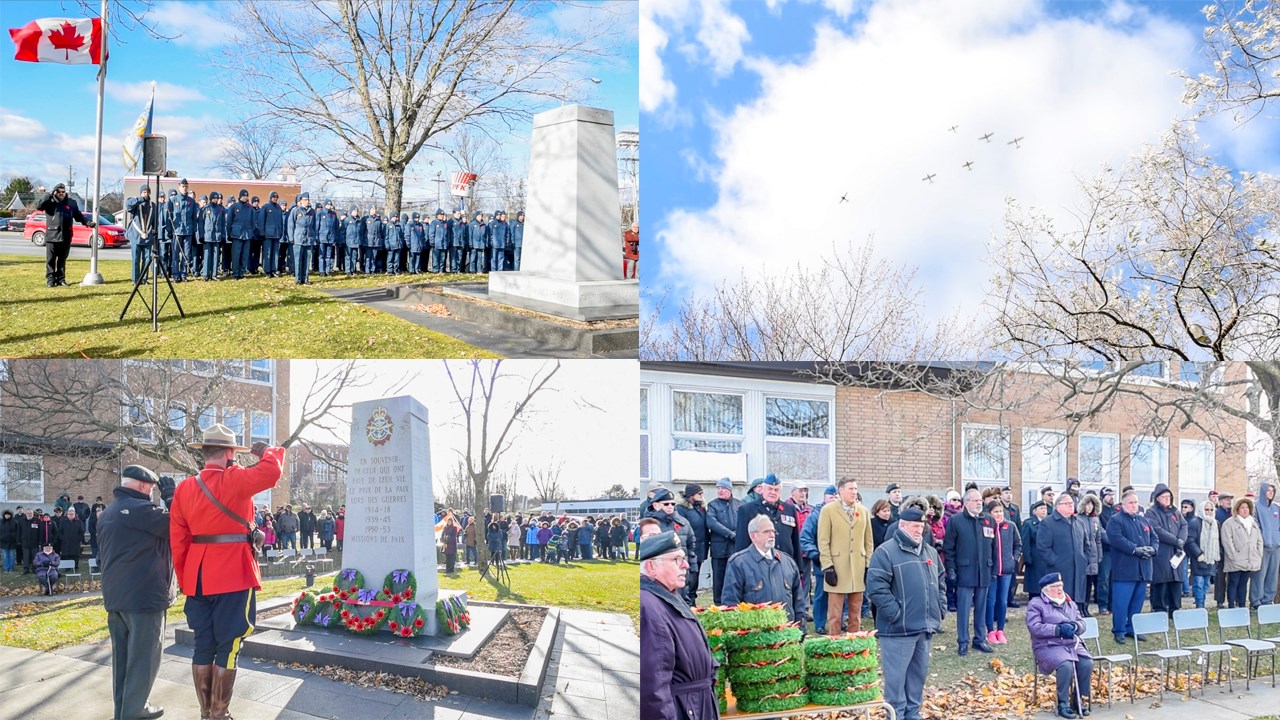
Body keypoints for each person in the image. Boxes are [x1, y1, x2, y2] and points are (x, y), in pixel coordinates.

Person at [169, 424, 285, 720]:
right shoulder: (235, 479)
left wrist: (185, 580)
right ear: (230, 453)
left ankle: (206, 713)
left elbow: (178, 541)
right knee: (230, 645)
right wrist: (267, 451)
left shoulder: (184, 488)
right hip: (233, 572)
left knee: (203, 645)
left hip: (197, 577)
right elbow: (272, 471)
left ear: (204, 452)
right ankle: (219, 714)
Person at [98, 464, 176, 720]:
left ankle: (123, 710)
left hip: (116, 596)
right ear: (143, 486)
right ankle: (135, 711)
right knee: (144, 658)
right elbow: (178, 526)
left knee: (122, 660)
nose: (152, 493)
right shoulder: (142, 510)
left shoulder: (108, 512)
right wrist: (172, 498)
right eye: (152, 489)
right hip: (144, 596)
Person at [866, 505, 944, 720]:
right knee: (896, 681)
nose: (920, 530)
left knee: (917, 678)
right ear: (902, 526)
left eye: (922, 526)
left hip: (924, 627)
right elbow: (876, 588)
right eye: (915, 526)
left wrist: (940, 608)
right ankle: (896, 716)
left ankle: (912, 714)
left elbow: (941, 582)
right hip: (897, 630)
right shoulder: (885, 552)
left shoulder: (930, 552)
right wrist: (896, 614)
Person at [640, 531, 718, 720]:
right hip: (684, 708)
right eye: (676, 560)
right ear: (651, 567)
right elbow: (653, 686)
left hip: (694, 704)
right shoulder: (650, 606)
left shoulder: (667, 595)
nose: (686, 565)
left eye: (684, 558)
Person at [1026, 572, 1093, 718]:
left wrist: (1075, 627)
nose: (1060, 589)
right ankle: (1063, 703)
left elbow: (1082, 622)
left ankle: (1078, 699)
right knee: (1065, 665)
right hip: (1048, 645)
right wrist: (1057, 629)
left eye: (1061, 585)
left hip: (1071, 643)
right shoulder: (1036, 604)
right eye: (1055, 586)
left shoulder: (1069, 602)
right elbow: (1034, 627)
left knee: (1087, 663)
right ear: (1046, 589)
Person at [723, 514, 808, 621]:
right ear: (753, 536)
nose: (772, 535)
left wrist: (800, 627)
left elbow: (799, 601)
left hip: (787, 628)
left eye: (773, 531)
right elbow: (731, 603)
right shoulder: (738, 563)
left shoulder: (787, 562)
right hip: (755, 629)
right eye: (766, 532)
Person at [817, 477, 872, 634]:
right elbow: (823, 541)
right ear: (841, 491)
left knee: (855, 613)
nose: (854, 492)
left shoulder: (863, 511)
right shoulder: (828, 510)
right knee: (835, 614)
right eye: (851, 489)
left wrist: (868, 565)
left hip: (858, 567)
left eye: (856, 489)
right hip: (837, 567)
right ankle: (834, 641)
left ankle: (853, 642)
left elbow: (868, 541)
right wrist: (827, 566)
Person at [944, 488, 995, 655]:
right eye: (975, 500)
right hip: (965, 572)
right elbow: (949, 548)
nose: (979, 503)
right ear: (966, 503)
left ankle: (980, 639)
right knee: (964, 609)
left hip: (984, 571)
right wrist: (951, 569)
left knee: (981, 608)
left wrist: (993, 568)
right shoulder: (956, 521)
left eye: (980, 500)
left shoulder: (988, 520)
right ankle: (963, 641)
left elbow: (993, 547)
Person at [1105, 490, 1155, 644]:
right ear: (1123, 504)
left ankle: (1132, 628)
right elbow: (1116, 539)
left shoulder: (1143, 520)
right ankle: (1119, 630)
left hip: (1143, 568)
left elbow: (1154, 537)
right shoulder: (1116, 520)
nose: (1134, 505)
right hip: (1125, 570)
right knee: (1121, 603)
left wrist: (1153, 549)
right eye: (1131, 503)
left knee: (1137, 602)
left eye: (1136, 502)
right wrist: (1134, 549)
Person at [1038, 493, 1093, 616]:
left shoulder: (1079, 522)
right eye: (1067, 503)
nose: (1071, 505)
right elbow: (1043, 547)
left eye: (1072, 503)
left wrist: (1084, 559)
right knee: (1060, 605)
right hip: (1059, 571)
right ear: (1058, 506)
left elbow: (1087, 545)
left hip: (1078, 570)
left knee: (1076, 604)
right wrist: (1055, 562)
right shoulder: (1048, 523)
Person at [734, 474, 801, 570]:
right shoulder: (747, 510)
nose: (773, 492)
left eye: (776, 490)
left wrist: (799, 568)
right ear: (762, 489)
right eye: (770, 489)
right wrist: (741, 568)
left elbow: (795, 541)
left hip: (785, 565)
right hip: (757, 566)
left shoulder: (789, 509)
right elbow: (741, 543)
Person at [36, 183, 95, 287]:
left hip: (66, 235)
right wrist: (49, 195)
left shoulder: (71, 203)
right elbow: (39, 206)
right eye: (59, 192)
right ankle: (50, 280)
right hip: (52, 235)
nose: (61, 194)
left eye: (63, 192)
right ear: (55, 192)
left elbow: (78, 216)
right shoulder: (49, 202)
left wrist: (87, 222)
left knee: (62, 260)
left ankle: (61, 279)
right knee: (50, 260)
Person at [645, 488, 698, 602]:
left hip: (681, 572)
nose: (670, 506)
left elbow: (691, 547)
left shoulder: (683, 522)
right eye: (666, 504)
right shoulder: (649, 525)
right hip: (659, 575)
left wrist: (693, 569)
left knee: (683, 603)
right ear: (655, 505)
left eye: (672, 504)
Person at [1146, 484, 1187, 617]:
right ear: (1157, 498)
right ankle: (1159, 611)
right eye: (1164, 496)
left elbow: (1184, 525)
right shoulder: (1151, 513)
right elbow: (1157, 530)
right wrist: (1175, 540)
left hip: (1176, 553)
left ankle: (1175, 611)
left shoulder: (1176, 512)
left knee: (1175, 583)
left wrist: (1181, 540)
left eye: (1168, 496)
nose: (1167, 499)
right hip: (1161, 553)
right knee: (1161, 583)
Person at [985, 499, 1021, 645]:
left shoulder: (1010, 526)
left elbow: (1018, 544)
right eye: (995, 512)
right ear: (990, 513)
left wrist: (1014, 559)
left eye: (1000, 511)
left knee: (1003, 601)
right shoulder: (987, 527)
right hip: (992, 571)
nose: (999, 514)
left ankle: (1000, 629)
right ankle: (990, 630)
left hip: (1006, 570)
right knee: (990, 601)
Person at [1222, 496, 1263, 609]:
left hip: (1249, 559)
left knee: (1243, 584)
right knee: (1233, 583)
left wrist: (1258, 554)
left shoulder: (1253, 523)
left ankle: (1242, 605)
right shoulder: (1229, 523)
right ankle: (1231, 606)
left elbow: (1259, 540)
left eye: (1247, 507)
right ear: (1237, 509)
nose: (1245, 510)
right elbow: (1227, 541)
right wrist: (1233, 555)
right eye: (1242, 507)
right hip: (1235, 560)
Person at [705, 477, 741, 605]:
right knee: (718, 579)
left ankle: (733, 603)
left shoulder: (739, 504)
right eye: (718, 488)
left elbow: (744, 522)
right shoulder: (712, 505)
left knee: (735, 577)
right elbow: (712, 523)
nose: (720, 491)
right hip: (719, 549)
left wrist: (738, 534)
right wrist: (731, 535)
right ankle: (719, 604)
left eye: (723, 488)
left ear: (730, 490)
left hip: (735, 548)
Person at [677, 485, 708, 598]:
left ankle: (692, 599)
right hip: (688, 548)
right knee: (687, 577)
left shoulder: (701, 508)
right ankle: (686, 599)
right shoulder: (681, 509)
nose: (701, 496)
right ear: (691, 495)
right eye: (699, 493)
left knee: (696, 575)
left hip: (700, 547)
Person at [1253, 482, 1280, 609]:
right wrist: (1261, 540)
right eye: (1268, 490)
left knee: (1272, 575)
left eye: (1272, 491)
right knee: (1259, 575)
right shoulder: (1256, 506)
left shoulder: (1276, 508)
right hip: (1262, 546)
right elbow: (1255, 525)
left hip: (1276, 546)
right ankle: (1256, 601)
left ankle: (1268, 600)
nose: (1270, 493)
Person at [1190, 500, 1219, 609]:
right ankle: (1200, 605)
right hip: (1199, 558)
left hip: (1211, 559)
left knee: (1206, 584)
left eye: (1211, 509)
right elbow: (1190, 540)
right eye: (1207, 509)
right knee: (1198, 583)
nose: (1209, 512)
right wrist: (1198, 554)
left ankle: (1202, 602)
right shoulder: (1195, 522)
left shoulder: (1215, 523)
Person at [1078, 493, 1104, 616]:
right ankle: (1079, 607)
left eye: (1092, 505)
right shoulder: (1077, 519)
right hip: (1082, 554)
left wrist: (1099, 555)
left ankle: (1086, 607)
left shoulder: (1095, 520)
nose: (1089, 507)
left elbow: (1098, 539)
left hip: (1093, 556)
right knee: (1081, 584)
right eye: (1087, 504)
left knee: (1089, 583)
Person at [126, 184, 156, 286]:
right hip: (136, 236)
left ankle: (144, 278)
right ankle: (135, 279)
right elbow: (128, 204)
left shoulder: (153, 205)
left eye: (147, 192)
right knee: (136, 259)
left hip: (147, 237)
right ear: (141, 193)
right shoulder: (136, 203)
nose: (146, 194)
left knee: (147, 260)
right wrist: (141, 199)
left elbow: (154, 221)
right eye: (144, 192)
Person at [225, 189, 256, 279]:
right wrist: (229, 233)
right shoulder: (234, 207)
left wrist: (251, 232)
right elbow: (229, 221)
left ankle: (241, 272)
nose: (245, 197)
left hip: (247, 235)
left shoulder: (250, 208)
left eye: (246, 196)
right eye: (244, 196)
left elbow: (253, 222)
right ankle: (235, 273)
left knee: (245, 255)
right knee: (236, 255)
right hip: (237, 234)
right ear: (240, 196)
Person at [1095, 487, 1117, 615]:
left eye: (1112, 494)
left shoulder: (1116, 510)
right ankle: (1103, 605)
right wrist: (1113, 541)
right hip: (1105, 550)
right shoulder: (1099, 511)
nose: (1111, 497)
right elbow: (1100, 530)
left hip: (1116, 551)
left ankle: (1112, 605)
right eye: (1108, 495)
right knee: (1104, 578)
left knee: (1114, 579)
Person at [58, 507, 85, 572]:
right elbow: (59, 532)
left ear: (75, 514)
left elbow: (82, 532)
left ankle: (76, 567)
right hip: (66, 542)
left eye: (72, 514)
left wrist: (79, 538)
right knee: (67, 555)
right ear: (67, 515)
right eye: (69, 514)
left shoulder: (79, 522)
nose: (71, 515)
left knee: (75, 555)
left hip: (75, 542)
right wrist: (63, 538)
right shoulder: (63, 522)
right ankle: (67, 568)